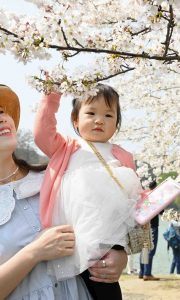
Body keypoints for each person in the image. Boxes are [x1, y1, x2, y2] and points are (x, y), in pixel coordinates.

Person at [0, 85, 127, 299]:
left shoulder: (59, 178)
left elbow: (104, 221)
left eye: (2, 111)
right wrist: (34, 252)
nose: (2, 118)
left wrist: (119, 257)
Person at [34, 84, 142, 299]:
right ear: (75, 119)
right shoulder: (67, 147)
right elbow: (42, 133)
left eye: (108, 115)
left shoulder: (122, 155)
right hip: (71, 236)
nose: (99, 120)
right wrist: (51, 94)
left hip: (107, 239)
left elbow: (133, 197)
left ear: (117, 123)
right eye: (91, 113)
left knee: (104, 284)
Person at [139, 180, 162, 281]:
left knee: (144, 249)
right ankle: (147, 273)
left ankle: (142, 272)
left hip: (143, 225)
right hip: (153, 226)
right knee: (150, 250)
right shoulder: (155, 197)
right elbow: (161, 211)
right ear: (156, 187)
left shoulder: (144, 196)